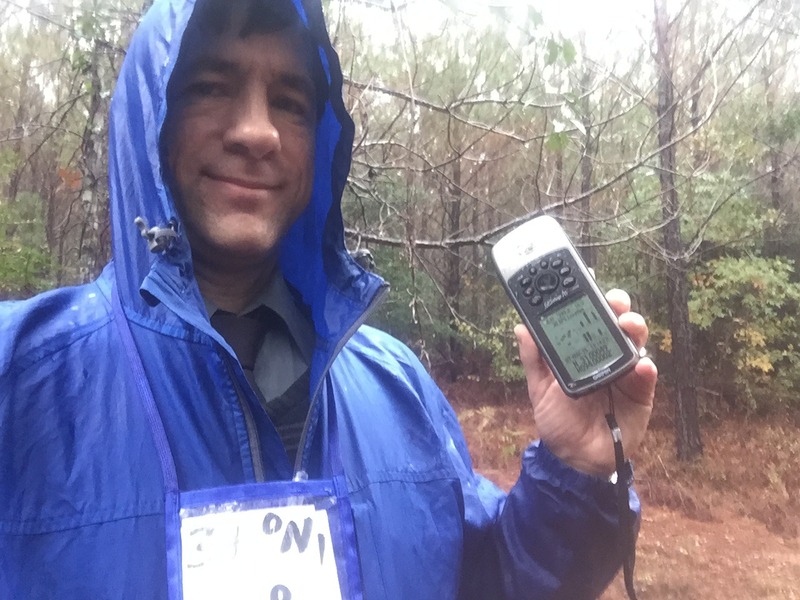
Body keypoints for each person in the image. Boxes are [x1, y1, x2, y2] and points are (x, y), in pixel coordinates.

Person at [0, 0, 658, 598]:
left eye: (289, 101)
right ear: (152, 117)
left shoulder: (396, 387)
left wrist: (577, 470)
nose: (258, 132)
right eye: (210, 86)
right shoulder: (21, 380)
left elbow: (495, 582)